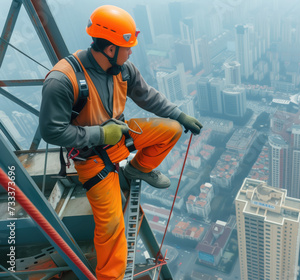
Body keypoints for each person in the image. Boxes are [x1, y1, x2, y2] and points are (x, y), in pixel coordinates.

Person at [39, 5, 202, 279]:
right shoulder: (63, 80)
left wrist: (180, 115)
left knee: (171, 130)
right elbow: (51, 131)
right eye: (126, 47)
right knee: (112, 226)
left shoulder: (123, 69)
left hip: (121, 138)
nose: (130, 52)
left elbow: (148, 97)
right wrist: (100, 135)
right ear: (110, 48)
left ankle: (137, 168)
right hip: (91, 158)